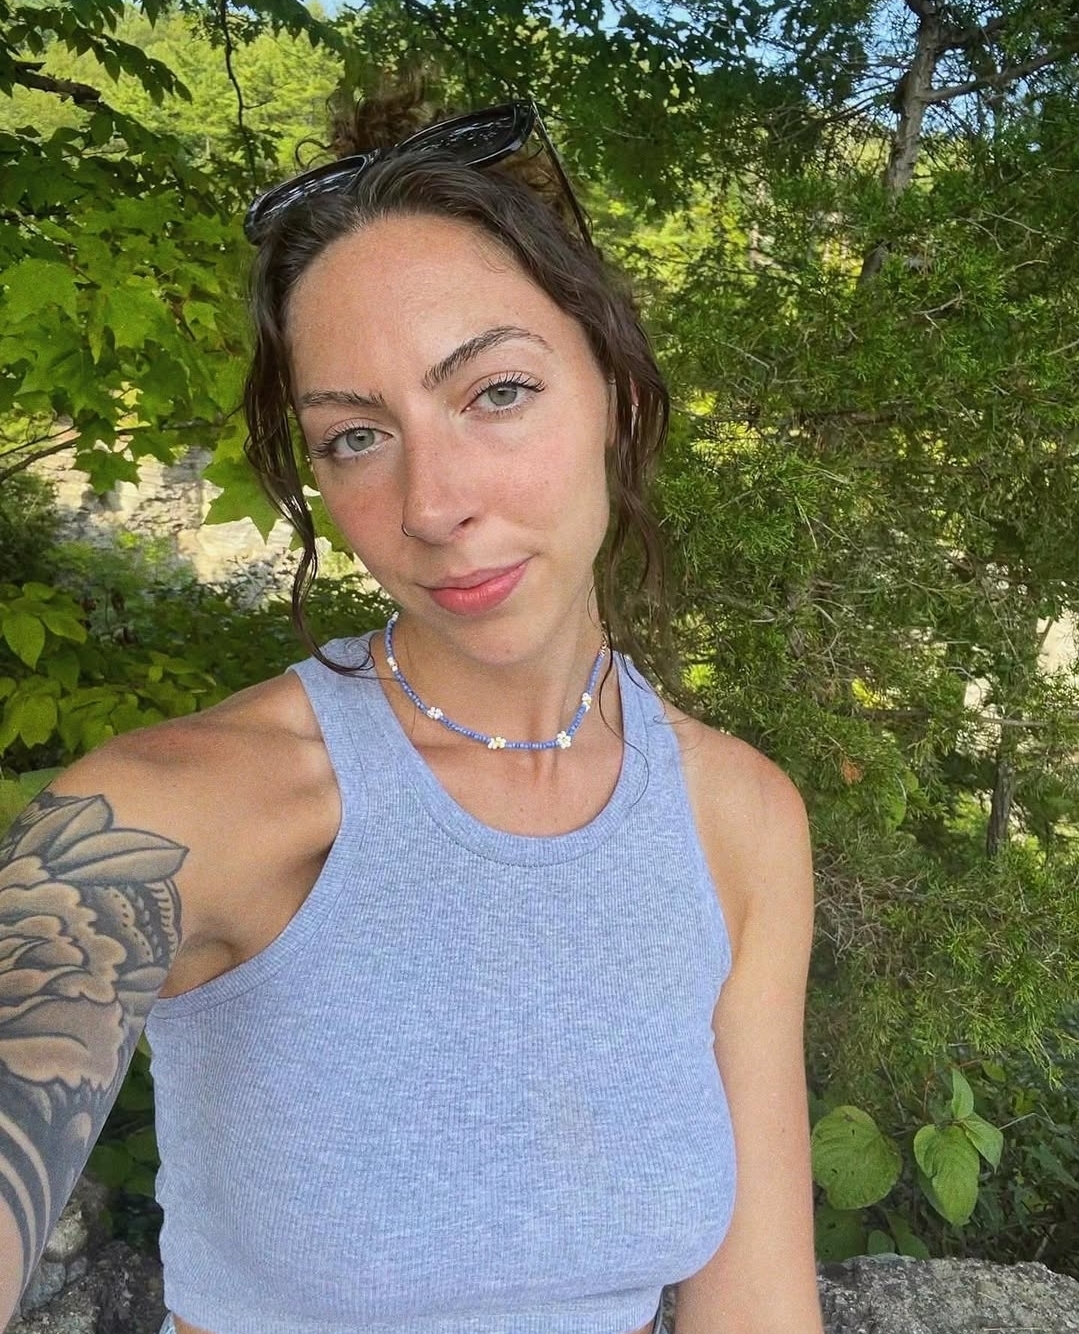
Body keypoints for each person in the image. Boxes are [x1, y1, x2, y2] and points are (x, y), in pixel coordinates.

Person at [0, 86, 824, 1334]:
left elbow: (755, 1307)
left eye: (495, 392)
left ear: (613, 384)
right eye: (354, 437)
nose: (432, 505)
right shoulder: (174, 812)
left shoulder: (738, 820)